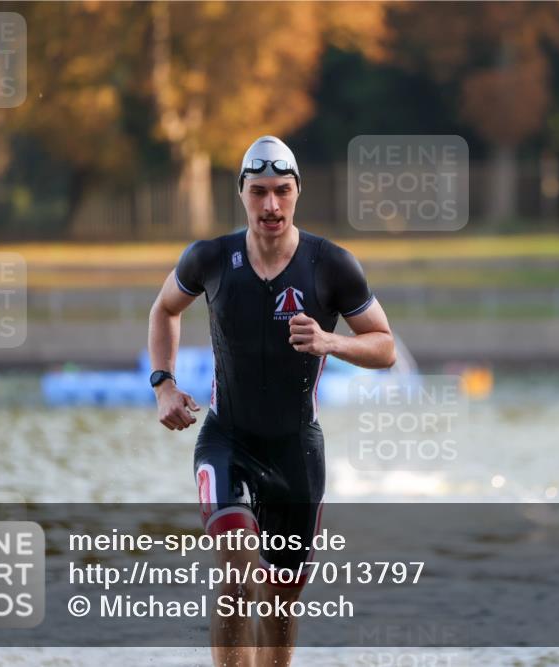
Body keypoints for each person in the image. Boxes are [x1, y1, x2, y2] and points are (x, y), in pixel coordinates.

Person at [147, 136, 396, 666]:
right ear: (241, 194)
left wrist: (331, 341)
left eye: (282, 191)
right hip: (227, 439)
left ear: (297, 192)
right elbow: (164, 309)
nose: (271, 206)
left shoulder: (331, 265)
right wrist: (163, 383)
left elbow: (385, 346)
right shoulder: (210, 258)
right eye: (258, 192)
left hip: (296, 452)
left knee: (282, 602)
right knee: (237, 572)